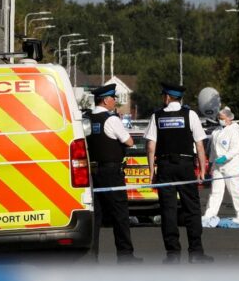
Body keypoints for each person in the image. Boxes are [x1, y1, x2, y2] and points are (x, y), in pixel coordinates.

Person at [145, 82, 213, 264]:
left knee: (168, 211)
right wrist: (202, 170)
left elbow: (151, 147)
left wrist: (152, 171)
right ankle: (196, 253)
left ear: (167, 97)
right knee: (192, 209)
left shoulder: (157, 116)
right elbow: (200, 144)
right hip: (185, 166)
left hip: (165, 166)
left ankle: (173, 254)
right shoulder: (190, 115)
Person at [86, 83, 141, 264]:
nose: (115, 101)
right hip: (111, 172)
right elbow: (130, 141)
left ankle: (92, 256)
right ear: (105, 100)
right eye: (113, 98)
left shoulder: (86, 119)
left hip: (92, 172)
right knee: (120, 214)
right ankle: (125, 255)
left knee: (96, 216)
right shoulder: (111, 120)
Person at [203, 107, 239, 224]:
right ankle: (210, 214)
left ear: (229, 119)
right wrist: (211, 163)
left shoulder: (235, 131)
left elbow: (235, 149)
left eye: (222, 118)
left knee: (235, 191)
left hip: (232, 165)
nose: (220, 120)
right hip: (218, 166)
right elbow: (213, 150)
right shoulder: (216, 132)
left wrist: (225, 157)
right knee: (215, 191)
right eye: (219, 118)